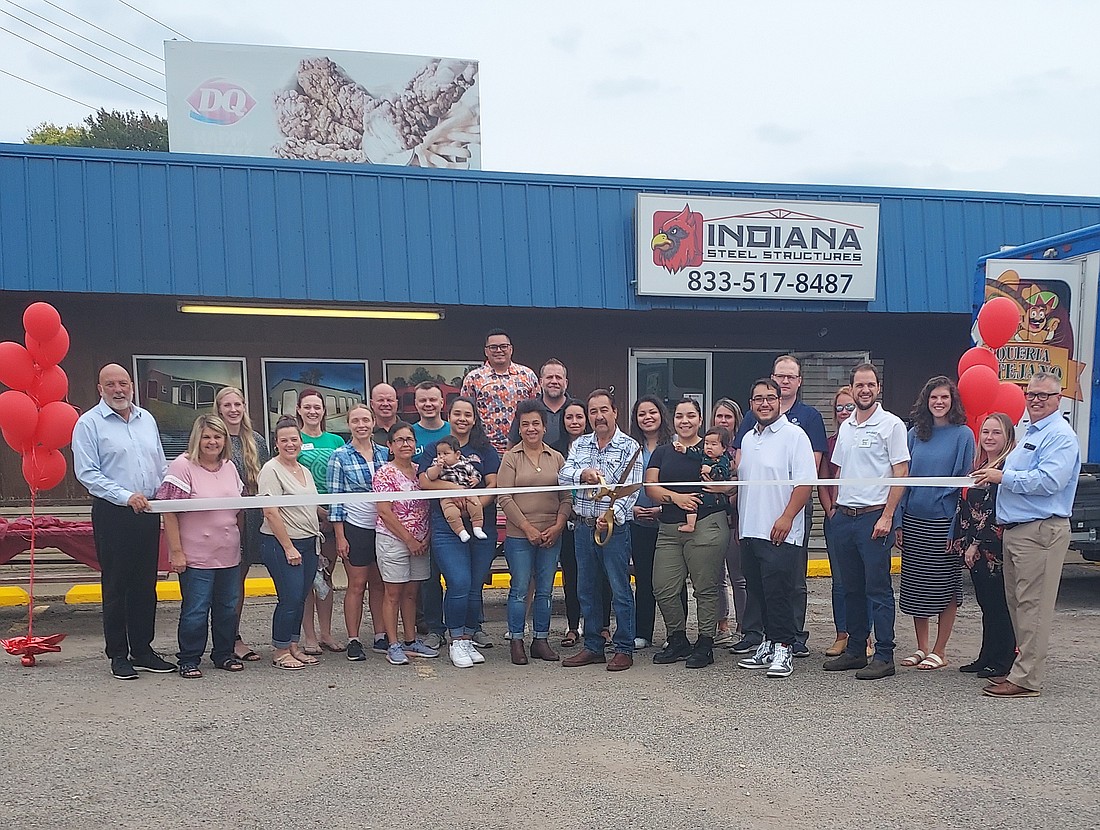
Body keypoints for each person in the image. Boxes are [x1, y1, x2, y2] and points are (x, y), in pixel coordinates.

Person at [974, 371, 1081, 698]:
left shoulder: (1060, 436)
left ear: (1057, 399)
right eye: (1031, 394)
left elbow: (1050, 481)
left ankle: (1027, 679)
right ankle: (1021, 671)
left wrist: (1001, 477)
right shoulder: (1031, 432)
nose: (1035, 400)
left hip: (1041, 530)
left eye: (1044, 396)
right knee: (1019, 605)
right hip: (1019, 532)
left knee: (1033, 607)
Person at [72, 363, 173, 680]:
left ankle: (143, 649)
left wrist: (166, 490)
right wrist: (124, 495)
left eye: (124, 383)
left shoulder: (147, 420)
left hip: (147, 511)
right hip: (114, 512)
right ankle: (118, 654)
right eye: (111, 384)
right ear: (100, 389)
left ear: (132, 385)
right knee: (117, 585)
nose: (119, 389)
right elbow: (88, 473)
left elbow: (158, 463)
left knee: (146, 584)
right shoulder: (89, 424)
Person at [733, 355, 826, 658]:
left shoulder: (795, 436)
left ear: (780, 401)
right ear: (751, 404)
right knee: (758, 592)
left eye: (770, 398)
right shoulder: (748, 439)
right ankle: (768, 643)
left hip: (780, 530)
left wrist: (787, 517)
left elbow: (804, 482)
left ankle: (784, 647)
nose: (765, 403)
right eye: (758, 398)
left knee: (780, 593)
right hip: (751, 529)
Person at [822, 363, 909, 681]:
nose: (865, 390)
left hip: (875, 518)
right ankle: (856, 650)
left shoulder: (892, 425)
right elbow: (839, 472)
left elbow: (901, 473)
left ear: (878, 388)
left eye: (870, 384)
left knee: (878, 589)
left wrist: (888, 515)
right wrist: (835, 511)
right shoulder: (846, 428)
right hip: (845, 517)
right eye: (859, 385)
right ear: (853, 387)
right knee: (851, 588)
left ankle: (884, 655)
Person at [559, 389, 643, 672]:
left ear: (615, 412)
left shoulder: (630, 447)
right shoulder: (580, 445)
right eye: (593, 412)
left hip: (614, 530)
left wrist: (611, 516)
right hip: (583, 528)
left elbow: (631, 491)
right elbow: (563, 475)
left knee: (620, 589)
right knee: (586, 589)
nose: (598, 416)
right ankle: (593, 646)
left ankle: (624, 648)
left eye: (603, 410)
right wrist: (582, 475)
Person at [645, 398, 731, 669]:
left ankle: (705, 642)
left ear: (700, 420)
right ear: (673, 420)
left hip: (707, 525)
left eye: (691, 415)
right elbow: (651, 487)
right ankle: (678, 638)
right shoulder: (662, 451)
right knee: (663, 587)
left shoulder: (711, 449)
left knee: (705, 588)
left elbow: (727, 482)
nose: (685, 421)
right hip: (669, 527)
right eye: (680, 416)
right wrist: (676, 498)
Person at [156, 414, 244, 678]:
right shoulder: (182, 466)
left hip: (228, 552)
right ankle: (189, 658)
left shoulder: (229, 466)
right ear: (197, 439)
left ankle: (224, 654)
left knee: (228, 607)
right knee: (196, 609)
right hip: (196, 556)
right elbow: (169, 512)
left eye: (218, 436)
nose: (212, 442)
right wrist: (176, 551)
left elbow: (238, 506)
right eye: (206, 436)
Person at [897, 376, 974, 671]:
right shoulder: (915, 434)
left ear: (952, 401)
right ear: (925, 402)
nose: (939, 403)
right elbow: (902, 479)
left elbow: (963, 484)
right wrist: (899, 521)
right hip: (914, 519)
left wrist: (956, 528)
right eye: (933, 398)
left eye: (944, 397)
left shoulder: (964, 435)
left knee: (944, 586)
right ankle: (921, 647)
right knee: (918, 585)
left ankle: (940, 650)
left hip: (944, 522)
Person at [418, 396, 501, 667]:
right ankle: (455, 640)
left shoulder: (485, 450)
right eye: (457, 414)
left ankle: (467, 636)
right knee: (459, 581)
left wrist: (473, 505)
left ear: (474, 419)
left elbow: (493, 484)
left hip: (479, 522)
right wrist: (457, 493)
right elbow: (424, 483)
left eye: (468, 414)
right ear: (449, 415)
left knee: (474, 584)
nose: (462, 419)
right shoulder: (435, 448)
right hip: (446, 525)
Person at [497, 399, 571, 664]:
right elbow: (504, 497)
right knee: (519, 588)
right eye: (525, 424)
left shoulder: (557, 457)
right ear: (519, 427)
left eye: (536, 424)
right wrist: (526, 527)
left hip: (551, 534)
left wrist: (559, 525)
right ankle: (517, 639)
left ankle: (541, 639)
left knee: (546, 590)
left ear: (544, 427)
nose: (531, 429)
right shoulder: (510, 458)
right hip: (519, 536)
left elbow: (566, 496)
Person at [951, 413, 1017, 680]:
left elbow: (992, 511)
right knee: (986, 604)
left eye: (996, 433)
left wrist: (975, 544)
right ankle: (986, 655)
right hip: (972, 547)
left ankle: (1003, 659)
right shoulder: (978, 465)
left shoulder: (1005, 470)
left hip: (992, 547)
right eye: (986, 432)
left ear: (1008, 437)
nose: (989, 438)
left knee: (998, 605)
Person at [257, 416, 325, 671]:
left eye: (294, 439)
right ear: (276, 443)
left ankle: (293, 644)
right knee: (290, 596)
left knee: (300, 598)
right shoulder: (271, 470)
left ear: (300, 441)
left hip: (308, 543)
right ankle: (280, 650)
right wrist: (288, 547)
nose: (289, 444)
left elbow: (311, 504)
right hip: (282, 544)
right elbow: (271, 511)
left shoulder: (304, 470)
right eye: (284, 440)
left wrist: (329, 517)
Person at [327, 403, 390, 661]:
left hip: (385, 527)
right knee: (356, 584)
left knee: (380, 584)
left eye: (365, 420)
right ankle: (353, 639)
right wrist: (340, 536)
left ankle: (380, 635)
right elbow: (335, 499)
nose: (361, 425)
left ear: (373, 422)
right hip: (355, 527)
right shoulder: (339, 456)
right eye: (356, 421)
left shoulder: (386, 453)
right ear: (349, 424)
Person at [373, 422, 439, 665]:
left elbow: (430, 506)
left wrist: (423, 539)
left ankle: (411, 640)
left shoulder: (422, 470)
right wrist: (409, 540)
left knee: (411, 594)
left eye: (409, 439)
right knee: (393, 593)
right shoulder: (385, 473)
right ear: (390, 445)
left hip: (421, 542)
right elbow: (385, 511)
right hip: (394, 540)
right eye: (399, 440)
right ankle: (393, 644)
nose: (405, 444)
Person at [213, 386, 269, 663]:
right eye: (227, 405)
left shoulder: (256, 440)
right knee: (223, 581)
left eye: (238, 404)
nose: (233, 410)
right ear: (219, 408)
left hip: (252, 515)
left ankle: (233, 636)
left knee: (239, 579)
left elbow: (268, 477)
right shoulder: (213, 439)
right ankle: (223, 639)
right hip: (222, 517)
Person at [817, 385, 871, 658]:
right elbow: (823, 481)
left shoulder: (871, 436)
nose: (845, 411)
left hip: (864, 515)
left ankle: (866, 637)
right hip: (837, 517)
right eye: (840, 407)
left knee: (866, 579)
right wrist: (830, 511)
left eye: (849, 406)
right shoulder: (829, 443)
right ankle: (842, 634)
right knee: (840, 580)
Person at [553, 398, 611, 648]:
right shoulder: (555, 449)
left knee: (603, 577)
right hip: (569, 520)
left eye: (579, 417)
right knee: (573, 576)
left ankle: (602, 627)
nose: (574, 421)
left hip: (598, 519)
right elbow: (561, 478)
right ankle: (573, 625)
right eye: (569, 417)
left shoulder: (593, 445)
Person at [294, 388, 346, 655]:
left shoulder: (336, 441)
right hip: (303, 518)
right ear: (299, 410)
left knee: (325, 576)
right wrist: (316, 511)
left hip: (332, 519)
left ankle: (326, 632)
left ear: (324, 411)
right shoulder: (294, 439)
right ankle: (310, 636)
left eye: (317, 407)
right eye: (308, 407)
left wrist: (332, 514)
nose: (313, 411)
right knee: (306, 580)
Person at [629, 395, 673, 650]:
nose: (647, 417)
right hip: (637, 522)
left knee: (670, 581)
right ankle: (642, 632)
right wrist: (631, 508)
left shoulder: (674, 445)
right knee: (643, 580)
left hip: (667, 523)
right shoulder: (630, 447)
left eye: (652, 412)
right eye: (642, 414)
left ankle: (673, 633)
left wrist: (661, 508)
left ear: (661, 415)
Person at [411, 380, 451, 649]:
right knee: (429, 576)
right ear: (416, 404)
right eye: (423, 400)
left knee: (462, 576)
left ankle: (471, 625)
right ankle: (431, 625)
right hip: (420, 514)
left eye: (433, 400)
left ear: (441, 403)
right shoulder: (409, 433)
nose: (428, 404)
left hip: (454, 513)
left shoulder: (453, 431)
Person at [461, 328, 538, 454]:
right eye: (493, 347)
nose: (499, 350)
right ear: (486, 351)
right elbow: (466, 412)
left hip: (522, 448)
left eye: (503, 346)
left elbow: (537, 410)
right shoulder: (473, 378)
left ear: (511, 349)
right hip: (484, 449)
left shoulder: (527, 375)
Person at [710, 397, 746, 648]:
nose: (723, 421)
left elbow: (738, 487)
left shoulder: (742, 450)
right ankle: (722, 624)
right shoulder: (706, 448)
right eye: (719, 416)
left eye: (728, 417)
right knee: (715, 576)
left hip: (735, 519)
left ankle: (744, 625)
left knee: (738, 577)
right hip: (712, 519)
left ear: (736, 420)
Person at [674, 426, 732, 533]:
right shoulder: (704, 455)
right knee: (691, 501)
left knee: (724, 507)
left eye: (714, 444)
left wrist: (711, 470)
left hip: (717, 496)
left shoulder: (723, 460)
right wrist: (684, 449)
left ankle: (729, 521)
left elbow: (723, 474)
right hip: (703, 489)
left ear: (724, 448)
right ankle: (690, 524)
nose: (709, 447)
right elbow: (695, 452)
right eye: (706, 443)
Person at [431, 436, 489, 542]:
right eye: (439, 454)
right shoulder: (436, 464)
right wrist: (437, 468)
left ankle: (477, 527)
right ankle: (461, 531)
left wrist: (475, 479)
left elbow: (476, 474)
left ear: (457, 454)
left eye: (446, 453)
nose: (441, 457)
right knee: (450, 512)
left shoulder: (465, 464)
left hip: (467, 492)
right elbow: (430, 476)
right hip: (447, 496)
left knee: (476, 505)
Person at [507, 358, 570, 449]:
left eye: (558, 377)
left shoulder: (575, 410)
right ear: (541, 382)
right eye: (549, 377)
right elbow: (511, 446)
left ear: (566, 383)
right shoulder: (527, 410)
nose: (554, 381)